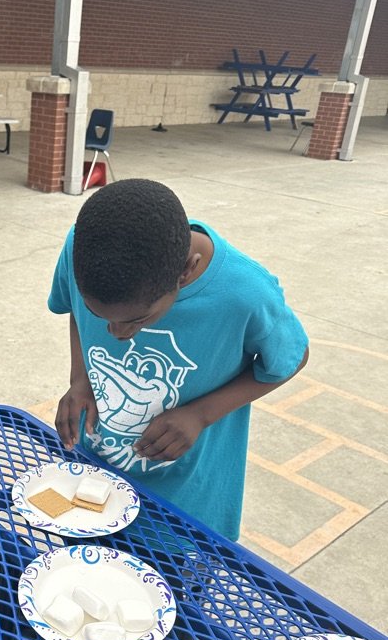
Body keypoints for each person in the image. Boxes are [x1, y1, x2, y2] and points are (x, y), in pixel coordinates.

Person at [49, 178, 309, 540]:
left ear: (186, 270)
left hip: (184, 509)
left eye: (137, 320)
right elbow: (74, 310)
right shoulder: (83, 246)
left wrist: (201, 414)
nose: (117, 334)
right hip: (96, 473)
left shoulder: (245, 294)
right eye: (101, 316)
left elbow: (292, 358)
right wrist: (81, 380)